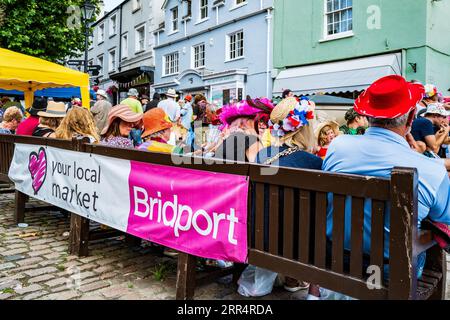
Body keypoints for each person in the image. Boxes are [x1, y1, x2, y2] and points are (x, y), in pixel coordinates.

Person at [312, 75, 450, 300]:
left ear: (366, 115)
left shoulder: (337, 146)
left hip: (336, 255)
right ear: (411, 118)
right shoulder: (430, 171)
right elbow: (445, 218)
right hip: (390, 270)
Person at [238, 96, 322, 296]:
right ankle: (296, 278)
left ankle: (290, 277)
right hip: (298, 249)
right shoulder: (313, 163)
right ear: (305, 127)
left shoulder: (263, 154)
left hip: (259, 239)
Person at [214, 97, 272, 163]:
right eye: (261, 120)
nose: (264, 126)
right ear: (244, 121)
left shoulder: (232, 138)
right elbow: (263, 170)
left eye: (266, 121)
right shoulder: (252, 140)